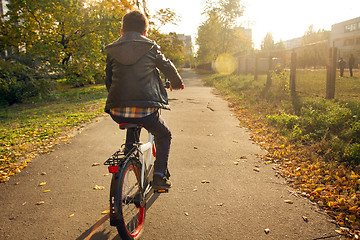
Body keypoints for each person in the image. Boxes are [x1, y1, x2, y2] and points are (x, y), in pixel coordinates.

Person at [104, 10, 184, 190]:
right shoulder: (151, 46)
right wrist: (177, 83)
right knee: (164, 135)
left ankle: (128, 156)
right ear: (145, 32)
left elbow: (108, 78)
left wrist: (116, 98)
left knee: (132, 126)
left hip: (117, 110)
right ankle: (158, 176)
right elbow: (167, 67)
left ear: (122, 31)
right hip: (146, 111)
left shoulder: (112, 49)